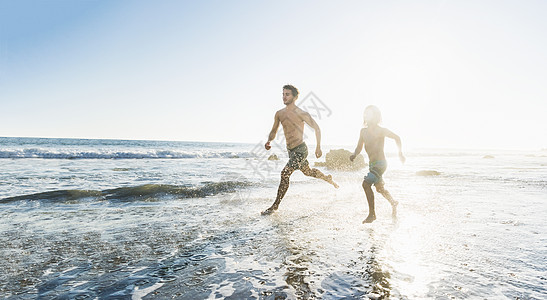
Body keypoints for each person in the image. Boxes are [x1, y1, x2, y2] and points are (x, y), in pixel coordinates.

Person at [261, 84, 338, 215]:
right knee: (307, 172)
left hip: (301, 150)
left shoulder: (302, 113)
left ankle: (275, 206)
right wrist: (269, 140)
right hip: (291, 151)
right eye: (283, 94)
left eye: (287, 94)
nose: (284, 97)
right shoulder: (279, 114)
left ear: (295, 97)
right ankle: (327, 178)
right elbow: (274, 131)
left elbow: (317, 128)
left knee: (285, 173)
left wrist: (318, 147)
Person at [349, 105, 405, 223]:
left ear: (376, 116)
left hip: (381, 163)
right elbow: (359, 147)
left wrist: (400, 153)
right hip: (372, 164)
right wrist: (354, 154)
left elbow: (397, 137)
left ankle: (372, 214)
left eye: (370, 114)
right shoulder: (363, 131)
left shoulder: (381, 130)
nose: (367, 116)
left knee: (366, 184)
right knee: (379, 189)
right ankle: (393, 203)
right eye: (366, 114)